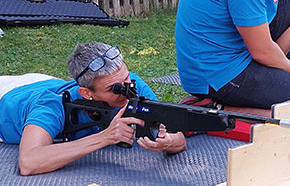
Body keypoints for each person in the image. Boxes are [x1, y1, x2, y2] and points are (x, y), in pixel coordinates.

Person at [0, 42, 186, 176]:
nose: (127, 91)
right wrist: (104, 137)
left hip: (41, 81)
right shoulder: (51, 105)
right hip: (9, 97)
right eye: (114, 89)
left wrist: (168, 141)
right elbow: (29, 162)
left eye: (127, 79)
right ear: (87, 93)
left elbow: (178, 139)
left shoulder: (132, 86)